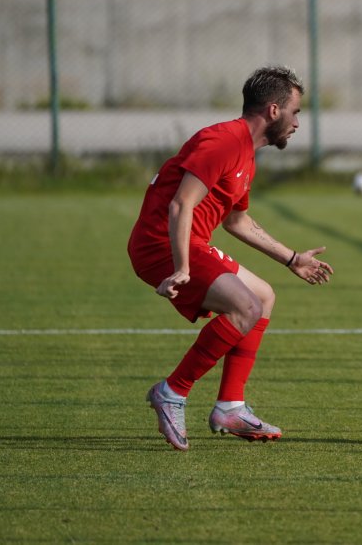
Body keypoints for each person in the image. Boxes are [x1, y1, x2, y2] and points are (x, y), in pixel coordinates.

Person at [128, 65, 333, 452]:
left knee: (264, 296)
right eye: (296, 112)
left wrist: (291, 259)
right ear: (273, 110)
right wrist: (183, 267)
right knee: (245, 306)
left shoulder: (246, 152)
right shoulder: (224, 141)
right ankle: (173, 392)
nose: (297, 123)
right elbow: (179, 205)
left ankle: (230, 406)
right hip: (161, 244)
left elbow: (236, 220)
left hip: (189, 242)